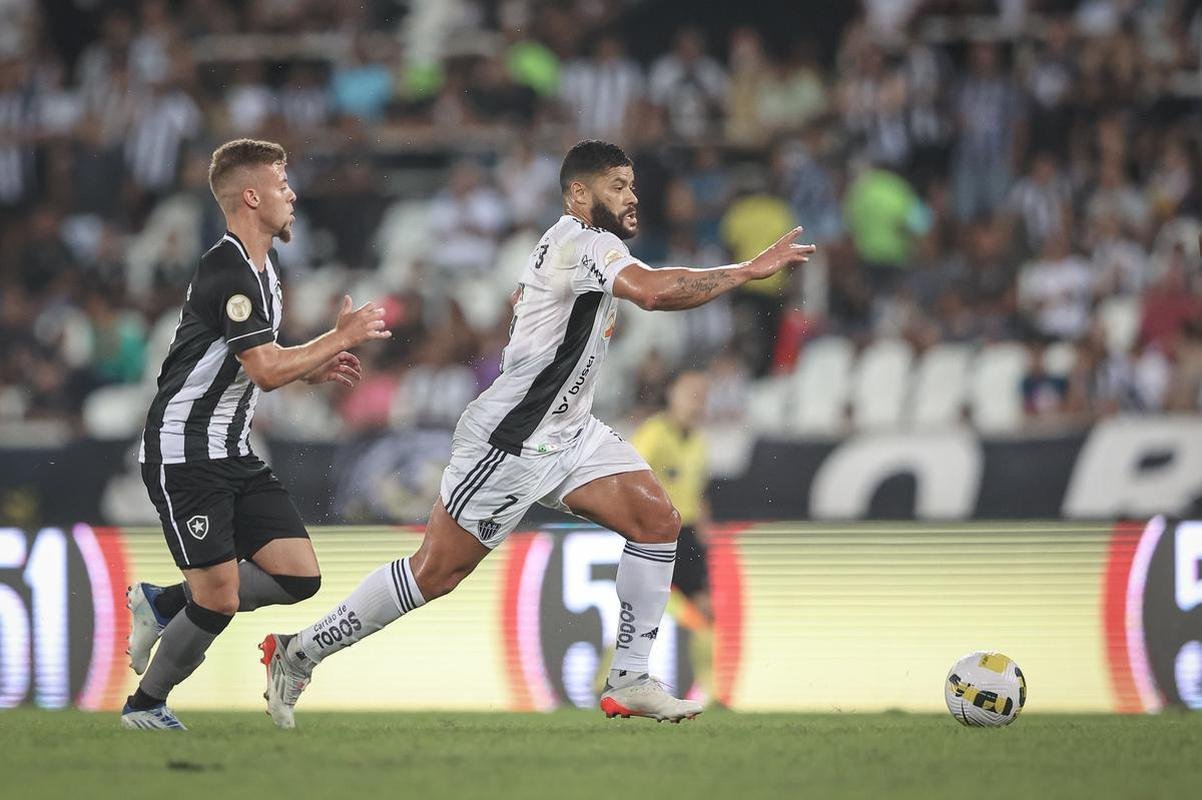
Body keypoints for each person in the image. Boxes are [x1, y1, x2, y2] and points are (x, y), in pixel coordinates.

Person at [259, 139, 814, 727]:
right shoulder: (585, 242)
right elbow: (653, 292)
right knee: (436, 572)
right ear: (579, 194)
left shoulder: (577, 243)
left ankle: (629, 677)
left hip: (569, 431)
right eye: (617, 186)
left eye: (632, 185)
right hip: (512, 438)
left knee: (658, 521)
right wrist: (749, 271)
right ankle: (298, 652)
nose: (631, 197)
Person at [121, 138, 391, 730]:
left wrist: (315, 367)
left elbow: (257, 367)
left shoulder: (265, 269)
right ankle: (145, 706)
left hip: (233, 449)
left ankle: (163, 601)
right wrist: (337, 338)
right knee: (217, 595)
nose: (292, 194)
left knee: (298, 574)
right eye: (281, 183)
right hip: (185, 450)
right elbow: (266, 369)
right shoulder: (229, 269)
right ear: (251, 196)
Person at [629, 371, 716, 703]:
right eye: (690, 394)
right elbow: (632, 478)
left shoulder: (699, 443)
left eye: (702, 396)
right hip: (657, 534)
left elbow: (699, 491)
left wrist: (705, 526)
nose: (697, 402)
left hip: (690, 535)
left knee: (706, 613)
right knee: (640, 614)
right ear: (671, 395)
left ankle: (713, 694)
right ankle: (604, 682)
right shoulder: (653, 433)